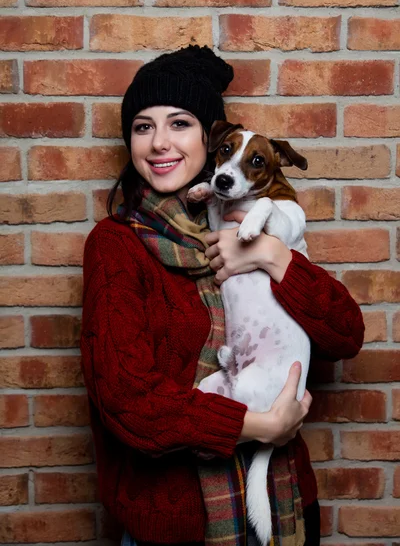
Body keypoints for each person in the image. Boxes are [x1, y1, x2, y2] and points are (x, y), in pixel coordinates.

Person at [80, 45, 364, 546]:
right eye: (143, 126)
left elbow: (345, 334)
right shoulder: (117, 245)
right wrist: (259, 426)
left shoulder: (260, 225)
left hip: (284, 507)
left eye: (179, 123)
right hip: (182, 522)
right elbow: (127, 401)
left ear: (213, 140)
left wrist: (272, 256)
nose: (159, 142)